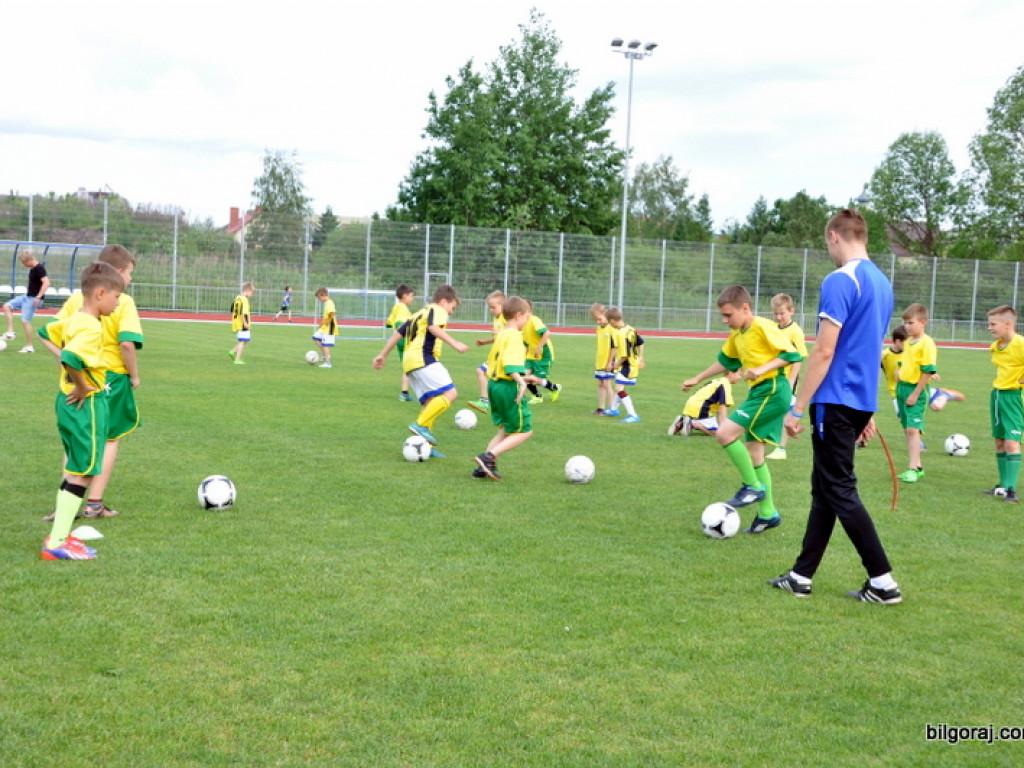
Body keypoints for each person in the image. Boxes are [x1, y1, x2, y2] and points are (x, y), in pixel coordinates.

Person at [769, 208, 901, 604]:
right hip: (857, 399)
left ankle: (882, 581)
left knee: (839, 488)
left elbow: (824, 352)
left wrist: (797, 407)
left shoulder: (840, 280)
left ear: (834, 237)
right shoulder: (882, 283)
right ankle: (801, 576)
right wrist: (869, 409)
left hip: (834, 399)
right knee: (824, 489)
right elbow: (870, 349)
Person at [682, 285, 800, 534]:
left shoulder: (763, 326)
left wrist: (763, 369)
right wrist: (698, 377)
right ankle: (768, 514)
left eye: (728, 315)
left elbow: (793, 355)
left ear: (744, 308)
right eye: (722, 316)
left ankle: (752, 487)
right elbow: (725, 362)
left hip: (773, 389)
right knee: (755, 454)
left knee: (725, 433)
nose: (725, 321)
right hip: (759, 392)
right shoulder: (737, 335)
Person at [39, 245, 143, 520]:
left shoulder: (77, 298)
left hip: (76, 380)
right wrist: (134, 376)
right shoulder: (124, 302)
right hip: (107, 379)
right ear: (117, 274)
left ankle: (66, 507)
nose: (130, 281)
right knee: (108, 440)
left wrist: (67, 363)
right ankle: (93, 503)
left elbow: (50, 331)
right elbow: (127, 343)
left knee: (77, 442)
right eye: (129, 274)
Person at [39, 261, 124, 560]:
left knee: (76, 468)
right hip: (85, 404)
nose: (118, 303)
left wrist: (66, 365)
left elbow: (44, 332)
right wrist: (82, 385)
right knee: (84, 473)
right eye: (116, 297)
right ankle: (56, 544)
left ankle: (58, 535)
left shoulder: (75, 318)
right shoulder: (90, 325)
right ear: (100, 293)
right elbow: (74, 357)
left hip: (66, 404)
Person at [373, 284, 469, 459]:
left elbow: (396, 334)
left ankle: (425, 446)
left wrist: (382, 355)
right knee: (451, 393)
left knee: (430, 403)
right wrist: (455, 343)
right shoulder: (438, 309)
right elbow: (434, 328)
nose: (451, 312)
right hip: (424, 358)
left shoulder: (418, 313)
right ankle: (419, 424)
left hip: (409, 363)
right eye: (452, 307)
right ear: (443, 301)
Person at [473, 296, 540, 480]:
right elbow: (510, 366)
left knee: (505, 430)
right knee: (525, 430)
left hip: (494, 385)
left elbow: (500, 364)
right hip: (508, 387)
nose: (527, 321)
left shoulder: (501, 334)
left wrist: (525, 377)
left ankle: (482, 468)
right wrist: (521, 381)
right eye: (527, 317)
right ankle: (489, 458)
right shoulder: (515, 337)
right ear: (519, 315)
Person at [982, 305, 1024, 503]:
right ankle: (1002, 485)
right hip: (997, 396)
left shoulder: (1021, 344)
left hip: (1015, 398)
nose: (989, 328)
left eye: (993, 324)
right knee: (999, 442)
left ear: (1008, 324)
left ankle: (1011, 490)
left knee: (1011, 442)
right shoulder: (996, 346)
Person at [895, 302, 938, 483]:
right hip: (902, 388)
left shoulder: (927, 343)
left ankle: (912, 468)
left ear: (923, 322)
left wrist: (915, 393)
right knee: (907, 429)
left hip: (915, 391)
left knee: (913, 430)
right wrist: (899, 373)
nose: (907, 326)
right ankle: (918, 467)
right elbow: (908, 364)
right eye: (905, 322)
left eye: (911, 323)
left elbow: (927, 370)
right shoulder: (908, 342)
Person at [766, 293, 807, 460]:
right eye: (775, 314)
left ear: (791, 311)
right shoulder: (773, 328)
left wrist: (791, 381)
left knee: (785, 412)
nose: (778, 317)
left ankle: (781, 449)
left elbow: (799, 357)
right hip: (773, 376)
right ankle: (791, 430)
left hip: (787, 379)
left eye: (782, 313)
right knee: (774, 410)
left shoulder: (795, 332)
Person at [3, 249, 50, 353]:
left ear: (28, 261)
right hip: (27, 296)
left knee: (25, 321)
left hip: (33, 298)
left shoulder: (39, 268)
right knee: (7, 306)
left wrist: (38, 297)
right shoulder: (33, 268)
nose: (23, 265)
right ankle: (10, 332)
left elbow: (46, 282)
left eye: (23, 263)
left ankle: (29, 347)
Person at [467, 290, 506, 414]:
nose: (491, 310)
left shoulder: (506, 318)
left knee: (481, 372)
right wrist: (485, 341)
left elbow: (512, 334)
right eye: (489, 307)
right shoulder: (498, 318)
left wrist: (499, 334)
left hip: (502, 355)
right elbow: (498, 337)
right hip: (496, 354)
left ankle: (485, 402)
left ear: (503, 305)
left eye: (493, 307)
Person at [605, 306, 645, 423]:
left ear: (612, 321)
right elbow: (641, 342)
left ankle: (633, 415)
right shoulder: (630, 329)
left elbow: (625, 354)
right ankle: (613, 409)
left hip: (628, 365)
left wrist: (616, 364)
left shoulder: (621, 334)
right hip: (631, 363)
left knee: (618, 388)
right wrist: (641, 357)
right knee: (619, 386)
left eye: (609, 322)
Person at [669, 374, 737, 437]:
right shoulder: (725, 384)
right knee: (717, 433)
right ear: (731, 374)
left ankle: (681, 422)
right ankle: (692, 423)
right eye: (739, 374)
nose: (740, 377)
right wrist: (724, 428)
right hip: (701, 408)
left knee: (717, 428)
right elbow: (722, 407)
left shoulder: (716, 380)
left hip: (691, 405)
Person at [522, 302, 561, 405]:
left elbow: (547, 333)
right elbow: (526, 343)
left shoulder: (534, 320)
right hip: (531, 355)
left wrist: (539, 348)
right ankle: (537, 396)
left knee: (535, 379)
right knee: (524, 377)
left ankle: (554, 388)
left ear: (528, 310)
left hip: (544, 355)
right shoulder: (522, 323)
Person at [385, 284, 416, 400]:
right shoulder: (402, 308)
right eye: (411, 296)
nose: (412, 299)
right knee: (419, 364)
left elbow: (388, 323)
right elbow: (401, 324)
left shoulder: (396, 307)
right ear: (404, 296)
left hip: (399, 340)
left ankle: (404, 393)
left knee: (407, 367)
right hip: (405, 339)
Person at [590, 303, 616, 415]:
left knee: (607, 384)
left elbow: (614, 347)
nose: (598, 322)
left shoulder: (611, 329)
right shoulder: (599, 329)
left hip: (608, 361)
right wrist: (597, 362)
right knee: (600, 383)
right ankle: (601, 408)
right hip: (600, 361)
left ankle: (612, 408)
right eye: (596, 320)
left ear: (605, 314)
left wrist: (610, 362)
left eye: (599, 319)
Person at [229, 282, 254, 365]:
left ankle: (233, 351)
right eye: (251, 292)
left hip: (237, 322)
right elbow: (243, 313)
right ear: (247, 290)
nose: (252, 295)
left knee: (246, 340)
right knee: (243, 341)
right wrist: (246, 323)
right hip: (243, 323)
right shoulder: (244, 300)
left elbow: (232, 309)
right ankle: (237, 359)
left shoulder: (237, 298)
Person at [312, 287, 337, 368]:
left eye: (319, 297)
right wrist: (322, 323)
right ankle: (325, 354)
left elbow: (333, 313)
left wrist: (328, 321)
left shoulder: (329, 302)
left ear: (323, 295)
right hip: (325, 327)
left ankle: (328, 362)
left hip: (330, 327)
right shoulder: (327, 303)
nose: (319, 299)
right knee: (315, 337)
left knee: (325, 344)